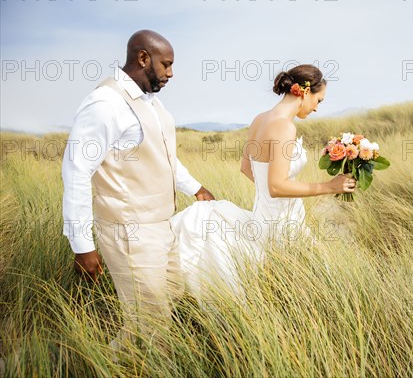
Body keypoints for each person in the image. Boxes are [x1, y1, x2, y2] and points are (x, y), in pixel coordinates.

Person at [61, 30, 215, 345]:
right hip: (129, 232)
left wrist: (195, 187)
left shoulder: (153, 103)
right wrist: (82, 245)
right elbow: (76, 171)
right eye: (166, 64)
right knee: (153, 324)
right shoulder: (105, 103)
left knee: (168, 299)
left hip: (161, 226)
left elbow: (165, 157)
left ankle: (115, 360)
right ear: (143, 58)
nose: (171, 73)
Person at [171, 64, 355, 304]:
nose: (317, 108)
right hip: (282, 224)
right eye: (319, 100)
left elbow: (246, 168)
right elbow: (276, 186)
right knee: (319, 282)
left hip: (263, 215)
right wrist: (330, 186)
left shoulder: (260, 119)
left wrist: (270, 192)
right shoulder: (284, 127)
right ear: (305, 92)